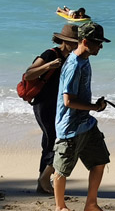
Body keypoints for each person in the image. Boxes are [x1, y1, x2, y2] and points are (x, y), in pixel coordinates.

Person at [52, 21, 113, 211]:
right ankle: (60, 208)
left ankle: (91, 204)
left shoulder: (85, 60)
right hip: (69, 127)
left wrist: (94, 107)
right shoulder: (73, 65)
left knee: (100, 160)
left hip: (86, 123)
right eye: (97, 43)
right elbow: (68, 101)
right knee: (61, 169)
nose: (100, 47)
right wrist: (95, 107)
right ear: (85, 41)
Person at [23, 24, 80, 194]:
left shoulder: (71, 58)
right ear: (63, 41)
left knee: (49, 142)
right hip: (43, 104)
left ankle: (43, 182)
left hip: (58, 106)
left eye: (76, 43)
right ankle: (44, 181)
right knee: (52, 140)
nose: (75, 45)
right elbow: (28, 74)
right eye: (72, 42)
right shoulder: (50, 54)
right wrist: (48, 66)